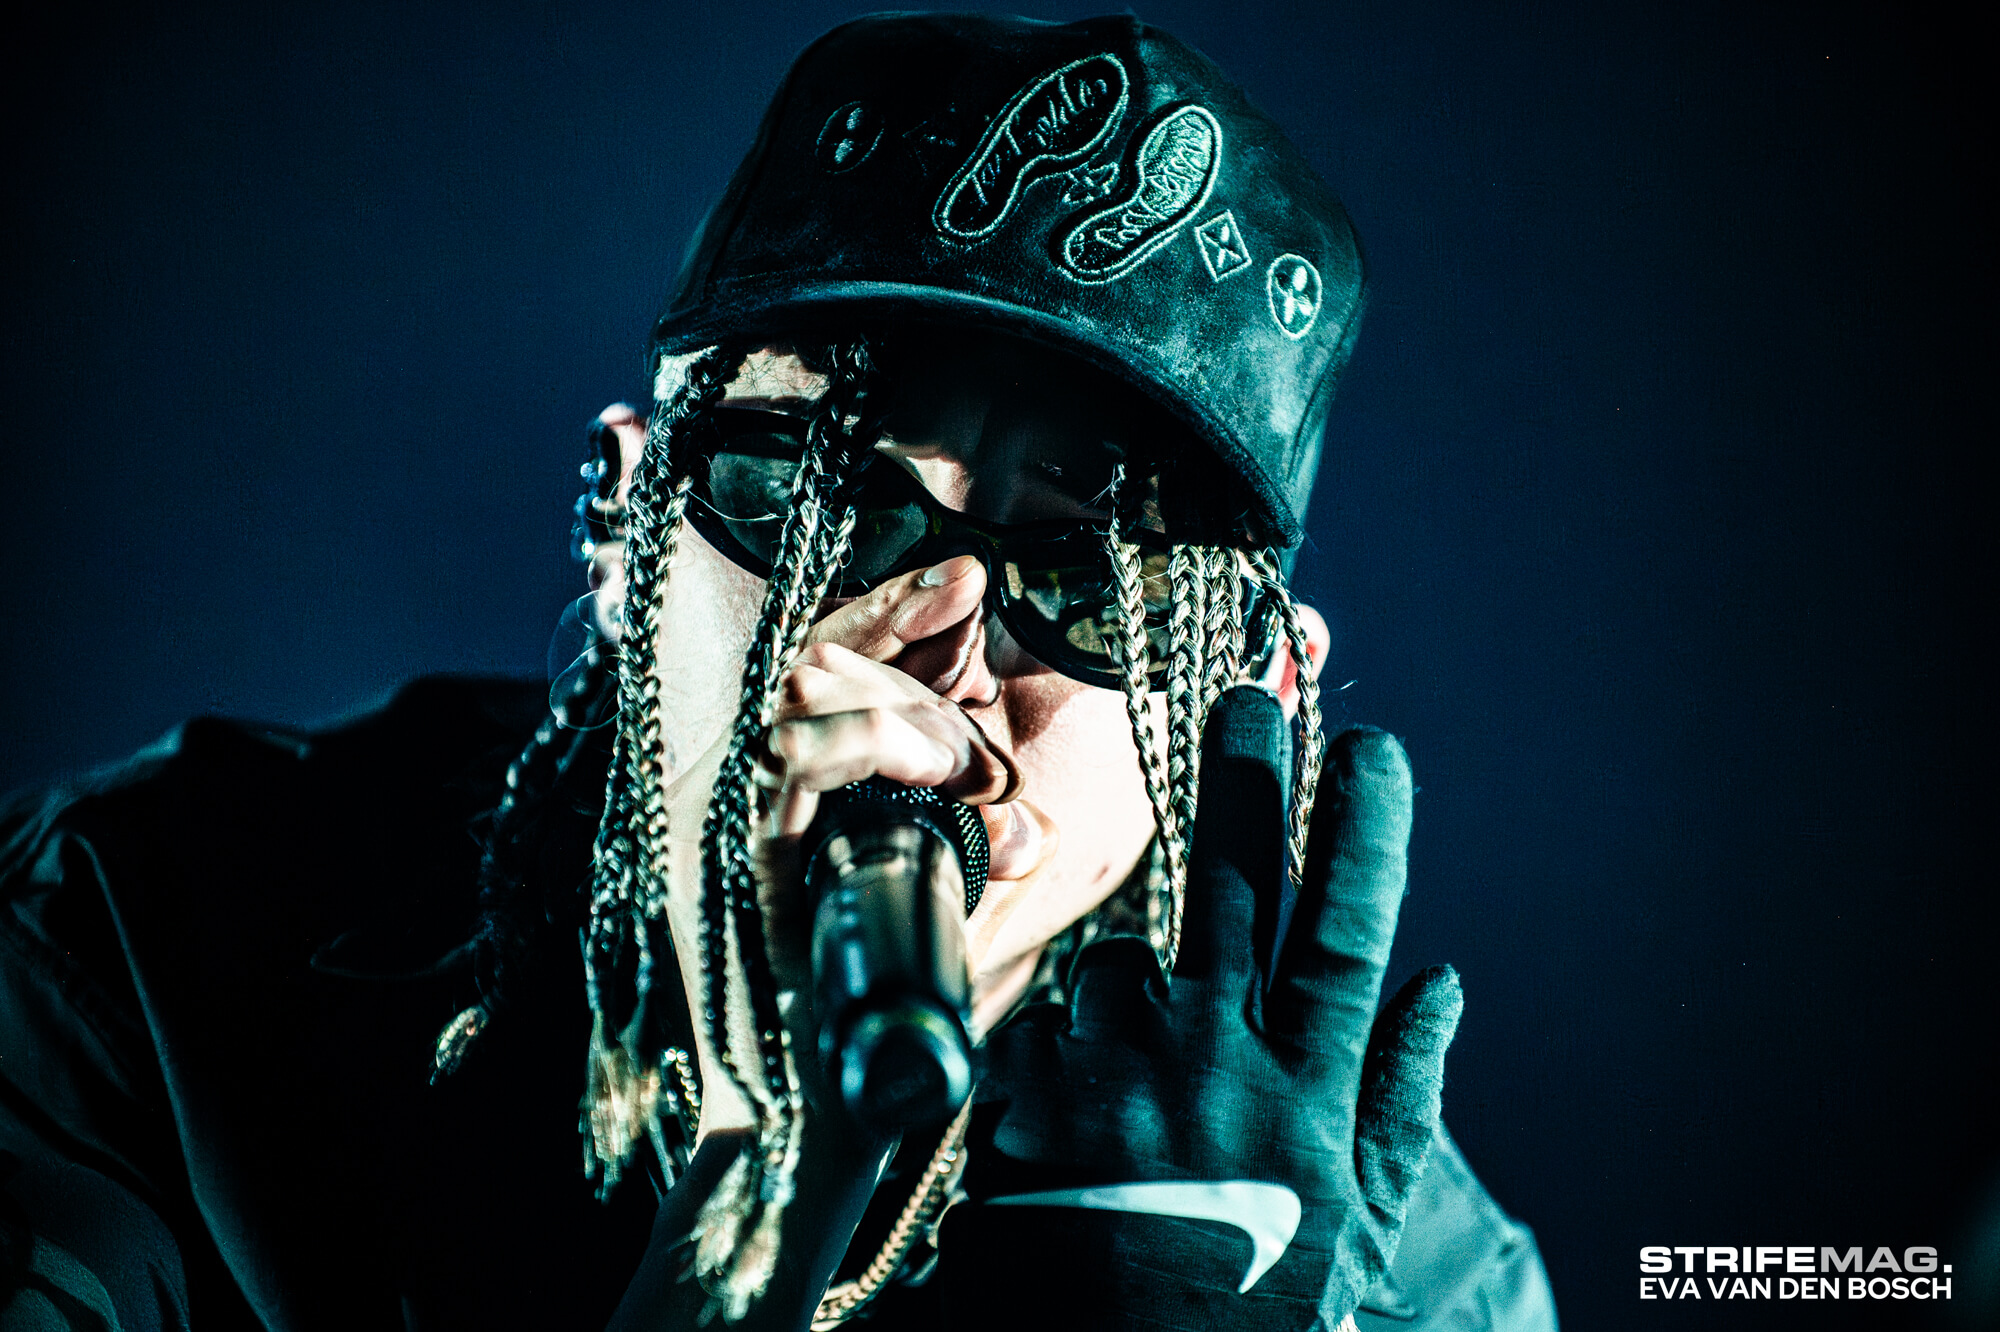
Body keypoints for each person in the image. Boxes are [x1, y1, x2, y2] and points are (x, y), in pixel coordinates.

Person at [0, 13, 1556, 1331]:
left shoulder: (1406, 1284)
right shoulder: (137, 945)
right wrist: (764, 1188)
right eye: (823, 495)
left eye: (1093, 574)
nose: (936, 641)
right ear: (623, 527)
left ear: (1256, 694)